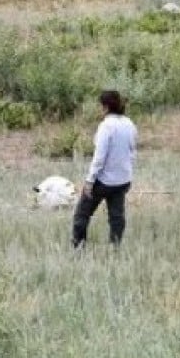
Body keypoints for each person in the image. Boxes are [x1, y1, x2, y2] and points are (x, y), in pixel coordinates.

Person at [72, 90, 137, 248]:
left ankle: (78, 249)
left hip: (103, 181)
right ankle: (115, 247)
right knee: (117, 217)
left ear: (106, 107)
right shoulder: (129, 124)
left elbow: (99, 158)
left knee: (82, 214)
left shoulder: (106, 126)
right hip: (123, 180)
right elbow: (132, 151)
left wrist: (89, 181)